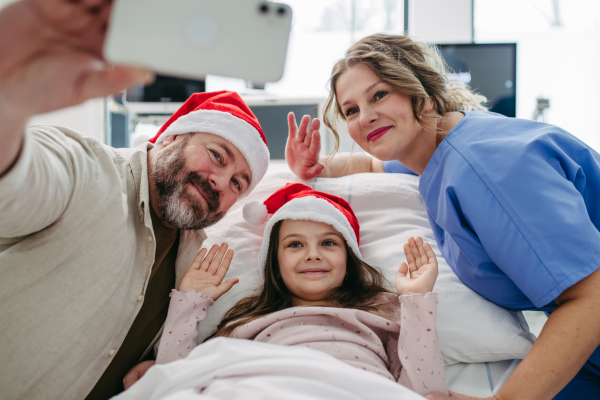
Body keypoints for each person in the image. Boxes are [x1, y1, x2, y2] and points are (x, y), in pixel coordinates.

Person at [285, 34, 600, 400]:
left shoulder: (485, 168)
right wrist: (314, 166)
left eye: (379, 95)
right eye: (351, 110)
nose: (366, 116)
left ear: (423, 92)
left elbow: (591, 296)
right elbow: (373, 162)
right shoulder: (439, 147)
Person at [0, 2, 271, 399]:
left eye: (238, 184)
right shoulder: (85, 171)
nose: (220, 183)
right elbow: (14, 185)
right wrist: (9, 105)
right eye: (217, 155)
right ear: (171, 138)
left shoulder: (196, 267)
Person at [135, 183, 448, 397]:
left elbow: (425, 391)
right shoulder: (246, 319)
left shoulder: (379, 311)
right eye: (295, 244)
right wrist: (190, 301)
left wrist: (415, 300)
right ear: (275, 263)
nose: (313, 254)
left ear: (348, 257)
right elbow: (174, 377)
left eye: (328, 243)